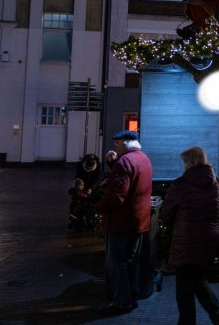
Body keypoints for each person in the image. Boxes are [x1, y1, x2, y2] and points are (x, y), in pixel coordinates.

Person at [160, 147, 219, 325]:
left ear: (190, 162)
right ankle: (217, 314)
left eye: (185, 162)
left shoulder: (180, 184)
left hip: (187, 240)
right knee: (198, 279)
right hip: (210, 239)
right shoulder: (214, 182)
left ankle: (188, 322)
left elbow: (166, 214)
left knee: (184, 288)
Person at [94, 130, 153, 316]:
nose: (115, 147)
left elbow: (117, 195)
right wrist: (114, 165)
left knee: (117, 263)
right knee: (131, 261)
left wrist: (99, 206)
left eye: (117, 143)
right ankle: (132, 296)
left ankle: (122, 302)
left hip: (121, 222)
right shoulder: (143, 158)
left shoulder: (124, 162)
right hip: (138, 221)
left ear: (126, 144)